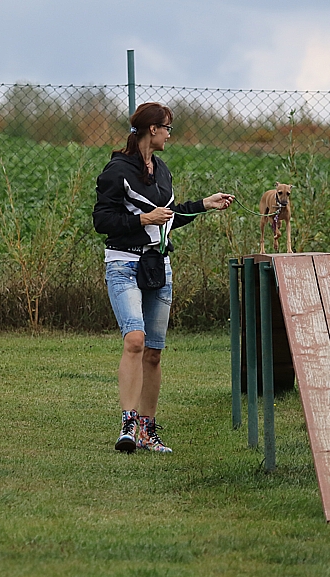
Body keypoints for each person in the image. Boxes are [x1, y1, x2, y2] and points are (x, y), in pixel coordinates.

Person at [92, 102, 234, 454]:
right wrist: (140, 221)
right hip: (124, 265)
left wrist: (204, 204)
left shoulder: (162, 170)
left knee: (153, 354)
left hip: (158, 268)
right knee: (135, 341)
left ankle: (148, 430)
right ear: (152, 129)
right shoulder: (116, 171)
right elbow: (102, 221)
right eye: (168, 127)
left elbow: (165, 217)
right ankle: (128, 424)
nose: (171, 133)